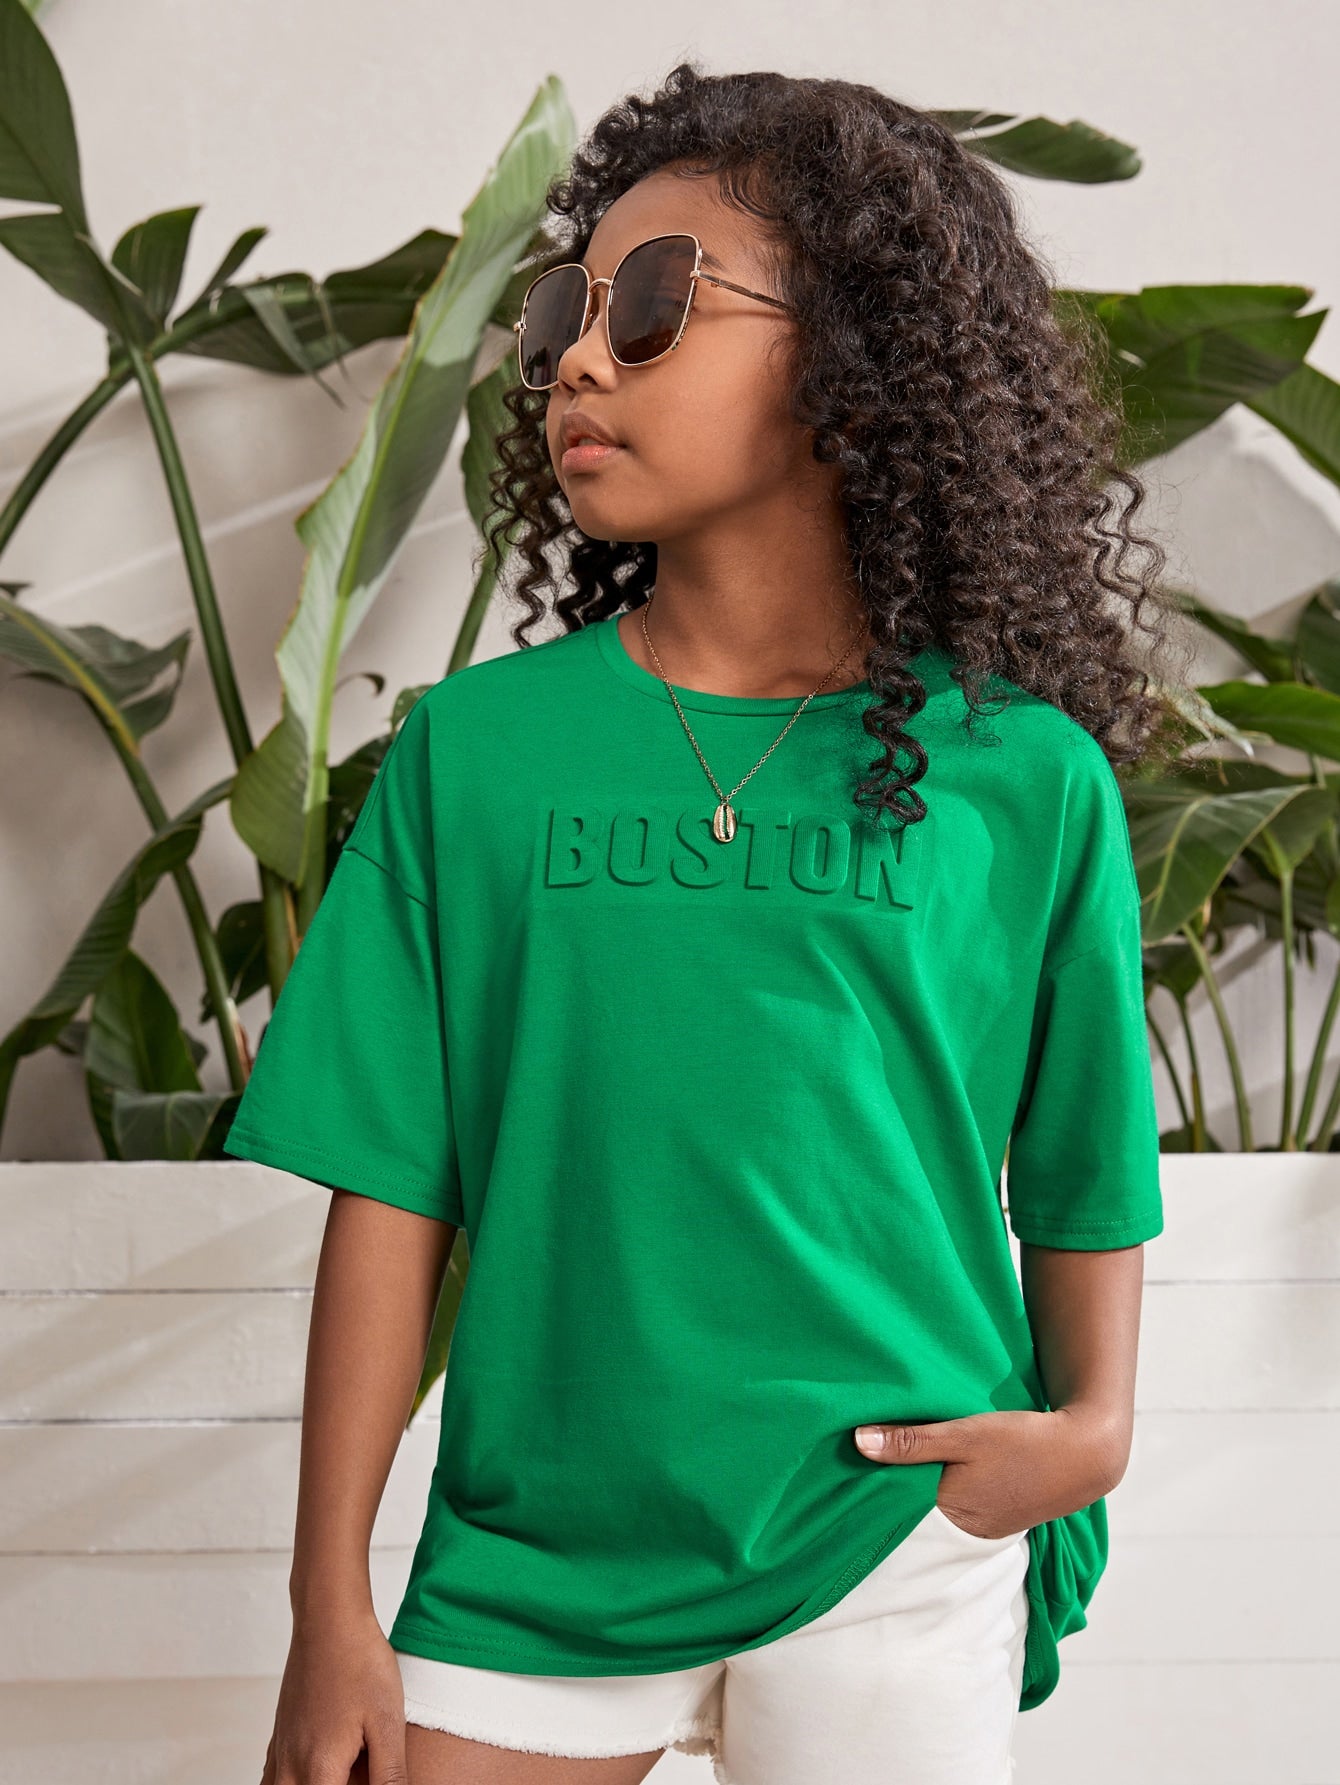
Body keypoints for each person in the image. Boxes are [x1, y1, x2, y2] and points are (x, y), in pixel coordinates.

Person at [224, 61, 1187, 1785]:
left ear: (849, 360)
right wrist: (330, 1605)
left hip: (888, 1524)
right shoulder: (478, 754)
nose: (581, 361)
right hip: (534, 1551)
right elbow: (393, 1194)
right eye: (565, 314)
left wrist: (1092, 1428)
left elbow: (1084, 1156)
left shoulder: (1022, 777)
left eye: (657, 305)